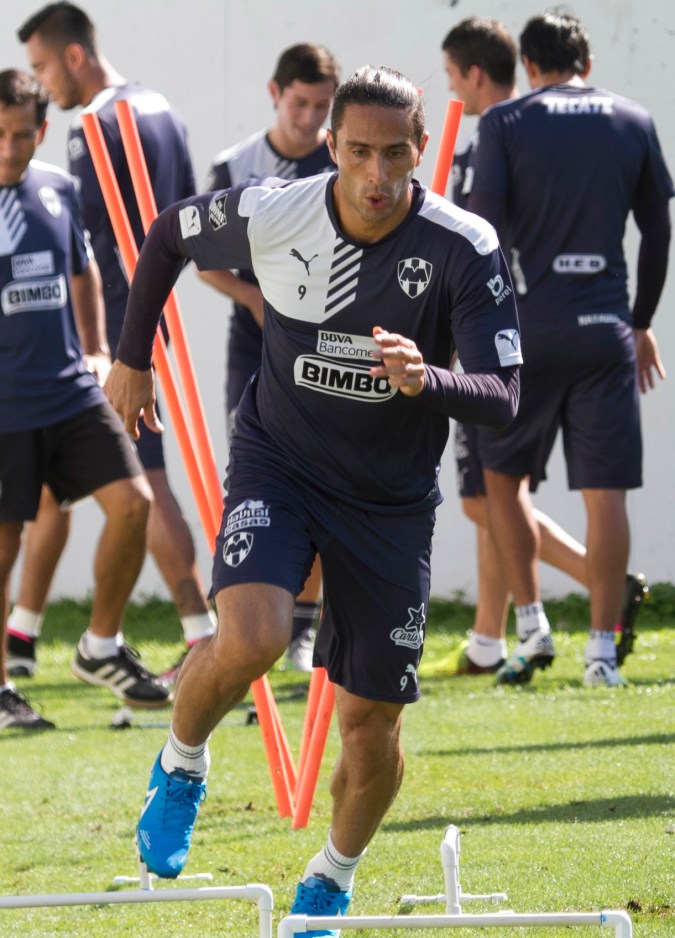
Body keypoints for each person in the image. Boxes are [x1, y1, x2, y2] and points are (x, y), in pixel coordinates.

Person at [105, 65, 521, 934]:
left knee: (371, 725)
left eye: (397, 155)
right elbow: (166, 235)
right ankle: (182, 764)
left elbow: (503, 392)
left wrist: (428, 378)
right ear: (327, 147)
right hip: (279, 464)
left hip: (389, 503)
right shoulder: (275, 207)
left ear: (419, 155)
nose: (377, 175)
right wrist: (131, 355)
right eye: (359, 152)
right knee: (252, 635)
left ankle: (329, 880)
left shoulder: (462, 245)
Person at [435, 16, 649, 678]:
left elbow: (482, 238)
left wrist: (468, 331)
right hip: (603, 328)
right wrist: (639, 319)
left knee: (495, 488)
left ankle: (533, 625)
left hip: (522, 333)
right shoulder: (626, 120)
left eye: (449, 77)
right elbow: (657, 226)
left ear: (522, 64)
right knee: (586, 491)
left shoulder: (499, 130)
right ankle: (571, 647)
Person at [12, 1, 216, 683]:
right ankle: (28, 638)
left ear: (74, 57)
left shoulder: (94, 125)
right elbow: (186, 225)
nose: (43, 83)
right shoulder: (164, 109)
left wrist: (105, 344)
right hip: (155, 321)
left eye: (42, 66)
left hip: (121, 344)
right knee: (61, 498)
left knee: (141, 487)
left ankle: (197, 637)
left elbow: (86, 247)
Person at [0, 68, 170, 730]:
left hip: (70, 391)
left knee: (135, 505)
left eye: (21, 135)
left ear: (41, 132)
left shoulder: (58, 190)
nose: (10, 149)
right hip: (6, 407)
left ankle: (100, 645)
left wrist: (98, 349)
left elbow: (84, 269)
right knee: (7, 541)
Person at [200, 42, 340, 672]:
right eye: (299, 103)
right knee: (259, 477)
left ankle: (306, 628)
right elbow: (202, 258)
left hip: (326, 344)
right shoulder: (237, 164)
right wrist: (254, 297)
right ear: (274, 93)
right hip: (254, 348)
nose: (310, 118)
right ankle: (247, 615)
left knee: (326, 475)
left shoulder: (343, 160)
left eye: (321, 106)